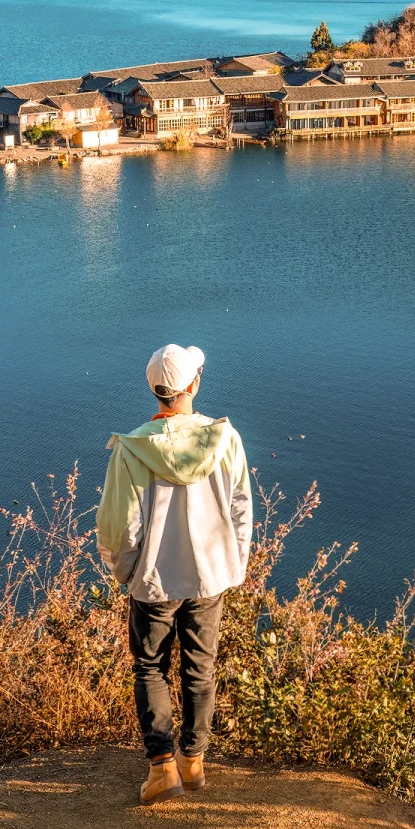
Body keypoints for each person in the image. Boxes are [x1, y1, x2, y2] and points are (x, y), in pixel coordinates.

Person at [97, 342, 253, 805]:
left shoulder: (132, 449)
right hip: (210, 577)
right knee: (200, 668)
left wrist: (127, 573)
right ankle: (193, 761)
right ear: (194, 385)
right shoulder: (225, 438)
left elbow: (118, 526)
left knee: (150, 666)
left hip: (154, 581)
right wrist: (232, 565)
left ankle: (162, 768)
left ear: (155, 390)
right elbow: (241, 509)